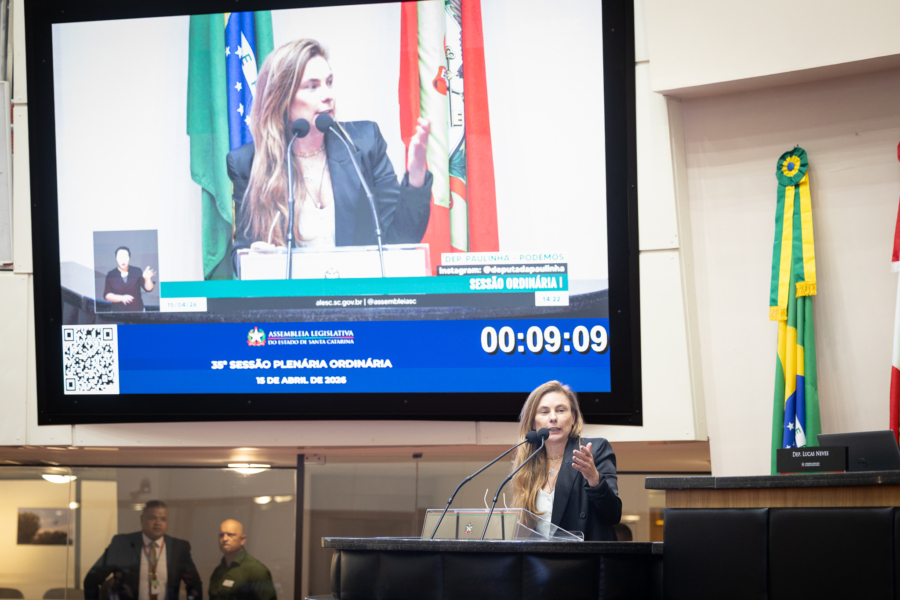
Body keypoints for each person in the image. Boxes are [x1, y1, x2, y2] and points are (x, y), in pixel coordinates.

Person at [227, 39, 433, 271]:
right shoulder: (248, 164)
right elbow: (241, 252)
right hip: (293, 293)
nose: (328, 95)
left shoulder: (365, 144)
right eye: (312, 86)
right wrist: (255, 258)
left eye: (329, 82)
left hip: (360, 290)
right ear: (282, 98)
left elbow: (401, 239)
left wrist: (416, 176)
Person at [510, 381, 622, 541]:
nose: (553, 418)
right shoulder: (528, 463)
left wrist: (594, 479)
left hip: (584, 555)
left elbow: (612, 516)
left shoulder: (594, 450)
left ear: (573, 418)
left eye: (561, 410)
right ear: (533, 422)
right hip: (541, 556)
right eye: (544, 412)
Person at [84, 500, 202, 600]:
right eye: (152, 518)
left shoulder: (179, 547)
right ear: (142, 519)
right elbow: (91, 580)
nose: (158, 523)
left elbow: (194, 584)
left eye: (163, 519)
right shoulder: (123, 544)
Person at [208, 519, 276, 600]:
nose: (225, 539)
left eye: (230, 535)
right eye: (221, 535)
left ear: (242, 539)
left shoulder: (256, 570)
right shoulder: (218, 570)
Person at [103, 246, 155, 312]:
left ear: (129, 258)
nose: (123, 260)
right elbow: (107, 295)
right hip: (118, 313)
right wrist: (121, 298)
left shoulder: (137, 271)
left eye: (125, 257)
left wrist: (147, 279)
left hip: (138, 311)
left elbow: (148, 289)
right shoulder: (111, 274)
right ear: (116, 258)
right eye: (120, 257)